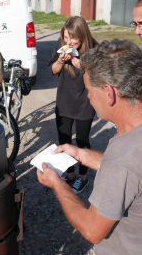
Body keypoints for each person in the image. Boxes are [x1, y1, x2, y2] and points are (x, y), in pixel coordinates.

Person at [38, 39, 142, 254]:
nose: (88, 96)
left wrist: (57, 183)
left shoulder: (122, 159)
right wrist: (82, 155)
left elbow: (92, 229)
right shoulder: (133, 141)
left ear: (109, 93)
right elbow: (133, 175)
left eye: (89, 90)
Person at [47, 16, 98, 194]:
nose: (68, 42)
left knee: (82, 140)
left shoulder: (95, 49)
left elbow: (100, 79)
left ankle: (82, 177)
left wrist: (82, 66)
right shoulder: (61, 46)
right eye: (65, 38)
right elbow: (53, 70)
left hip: (85, 101)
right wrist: (60, 61)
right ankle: (69, 174)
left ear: (82, 36)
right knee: (64, 139)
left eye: (72, 38)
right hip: (64, 99)